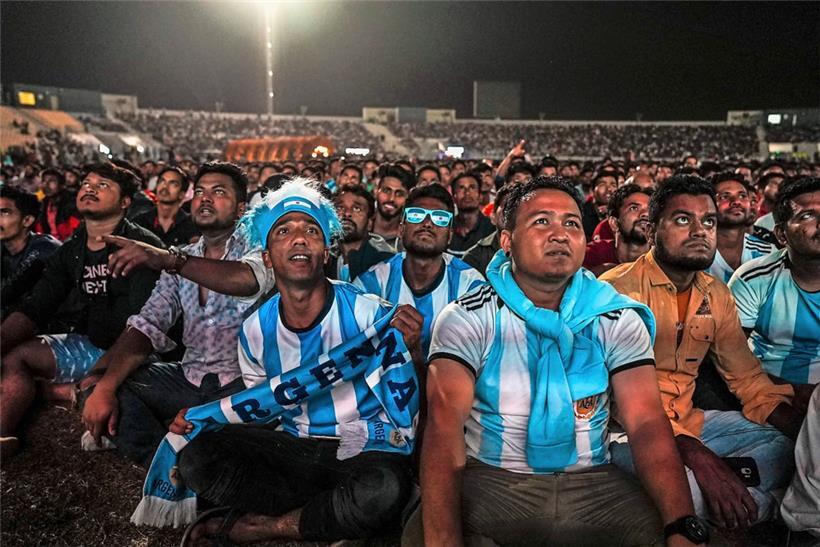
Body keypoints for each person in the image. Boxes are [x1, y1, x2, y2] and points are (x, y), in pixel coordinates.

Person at [408, 176, 704, 546]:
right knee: (423, 535)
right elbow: (444, 427)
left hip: (592, 480)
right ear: (506, 241)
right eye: (541, 221)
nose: (560, 234)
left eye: (571, 223)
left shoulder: (614, 317)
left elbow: (645, 423)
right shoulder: (469, 317)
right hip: (494, 479)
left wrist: (681, 526)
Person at [171, 180, 421, 543]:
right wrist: (205, 418)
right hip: (293, 448)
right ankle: (332, 516)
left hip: (362, 449)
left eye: (312, 231)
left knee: (382, 488)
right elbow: (264, 406)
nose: (299, 239)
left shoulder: (368, 313)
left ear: (325, 252)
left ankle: (265, 526)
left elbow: (403, 392)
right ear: (268, 258)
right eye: (284, 231)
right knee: (197, 460)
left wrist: (411, 348)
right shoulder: (256, 329)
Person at [600, 175, 805, 528]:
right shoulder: (617, 292)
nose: (700, 231)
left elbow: (747, 379)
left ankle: (730, 500)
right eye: (683, 220)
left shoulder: (716, 294)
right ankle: (746, 504)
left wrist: (804, 432)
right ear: (651, 230)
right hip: (625, 432)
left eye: (708, 221)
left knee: (790, 453)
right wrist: (697, 455)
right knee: (686, 491)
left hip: (692, 420)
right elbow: (616, 401)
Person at [81, 161, 255, 468]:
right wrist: (102, 381)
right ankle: (165, 465)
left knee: (241, 439)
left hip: (245, 385)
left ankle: (192, 458)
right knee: (101, 387)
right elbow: (148, 324)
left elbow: (243, 279)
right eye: (199, 191)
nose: (205, 198)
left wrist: (167, 259)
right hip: (189, 379)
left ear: (241, 208)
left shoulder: (260, 252)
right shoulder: (180, 259)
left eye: (218, 192)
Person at [0, 162, 163, 457]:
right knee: (15, 356)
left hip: (134, 351)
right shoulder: (73, 249)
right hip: (90, 343)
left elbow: (144, 328)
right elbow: (37, 306)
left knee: (106, 395)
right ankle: (2, 435)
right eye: (86, 183)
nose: (89, 188)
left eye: (103, 185)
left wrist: (103, 373)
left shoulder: (143, 247)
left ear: (125, 202)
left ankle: (76, 388)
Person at [354, 184, 485, 356]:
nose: (427, 223)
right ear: (401, 229)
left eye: (440, 218)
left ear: (450, 236)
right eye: (417, 215)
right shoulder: (371, 284)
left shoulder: (472, 287)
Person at [729, 177, 820, 386]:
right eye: (807, 215)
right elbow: (730, 358)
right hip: (770, 393)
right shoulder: (752, 279)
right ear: (781, 234)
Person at [0, 185, 61, 320]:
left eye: (4, 212)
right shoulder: (3, 248)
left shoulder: (45, 248)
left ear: (27, 220)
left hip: (58, 330)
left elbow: (9, 291)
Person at [706, 172, 773, 283]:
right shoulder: (697, 253)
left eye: (742, 196)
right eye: (725, 197)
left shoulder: (767, 253)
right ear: (709, 204)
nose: (736, 202)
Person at [583, 184, 651, 276]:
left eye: (650, 209)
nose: (645, 214)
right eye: (634, 208)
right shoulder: (592, 255)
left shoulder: (664, 261)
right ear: (614, 223)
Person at [331, 185, 395, 282]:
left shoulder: (385, 260)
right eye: (340, 208)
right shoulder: (324, 256)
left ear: (369, 222)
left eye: (357, 208)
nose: (347, 213)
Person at [133, 165, 199, 247]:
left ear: (182, 194)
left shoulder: (192, 225)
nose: (165, 186)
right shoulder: (139, 223)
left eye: (173, 184)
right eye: (162, 181)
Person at [462, 183, 513, 276]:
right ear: (493, 217)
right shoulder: (474, 257)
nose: (511, 212)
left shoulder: (540, 252)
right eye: (506, 206)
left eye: (517, 208)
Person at [448, 172, 495, 257]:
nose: (467, 193)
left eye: (472, 187)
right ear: (454, 197)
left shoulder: (491, 229)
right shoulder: (447, 228)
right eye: (461, 188)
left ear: (480, 196)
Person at [372, 164, 415, 250]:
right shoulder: (361, 230)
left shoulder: (410, 239)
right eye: (386, 191)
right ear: (376, 191)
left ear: (407, 198)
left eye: (399, 194)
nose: (391, 198)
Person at [35, 167, 81, 241]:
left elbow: (77, 231)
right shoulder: (43, 205)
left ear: (61, 185)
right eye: (44, 181)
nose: (46, 185)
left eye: (51, 181)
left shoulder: (72, 203)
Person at [582, 169, 618, 239]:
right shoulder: (582, 213)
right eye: (603, 185)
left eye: (613, 185)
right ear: (592, 191)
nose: (609, 189)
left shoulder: (620, 213)